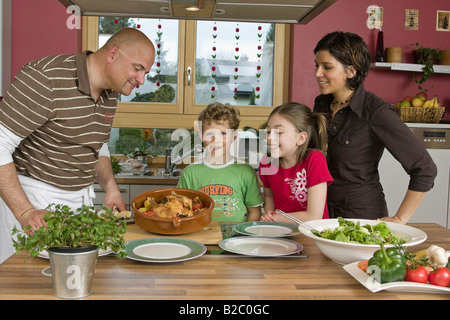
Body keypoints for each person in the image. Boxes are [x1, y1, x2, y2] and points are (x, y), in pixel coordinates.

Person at [0, 28, 155, 263]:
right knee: (26, 288)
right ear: (112, 54)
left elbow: (98, 143)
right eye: (137, 68)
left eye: (146, 72)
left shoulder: (111, 93)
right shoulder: (46, 77)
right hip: (33, 203)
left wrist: (110, 186)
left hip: (78, 205)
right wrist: (25, 212)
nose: (141, 80)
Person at [313, 31, 437, 223]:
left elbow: (425, 168)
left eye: (326, 67)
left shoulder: (376, 111)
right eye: (317, 65)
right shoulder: (321, 104)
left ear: (351, 71)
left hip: (361, 217)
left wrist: (399, 218)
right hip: (322, 214)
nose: (317, 73)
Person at [177, 102, 263, 222]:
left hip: (236, 237)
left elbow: (254, 212)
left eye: (223, 133)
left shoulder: (245, 171)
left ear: (234, 136)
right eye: (210, 134)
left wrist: (243, 237)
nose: (215, 140)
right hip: (201, 236)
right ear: (201, 136)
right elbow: (180, 211)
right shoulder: (190, 173)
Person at [259, 102, 333, 223]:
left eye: (278, 132)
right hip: (280, 231)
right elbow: (269, 196)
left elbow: (314, 216)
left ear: (301, 138)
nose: (269, 137)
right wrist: (269, 218)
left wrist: (275, 219)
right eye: (268, 131)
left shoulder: (314, 160)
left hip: (311, 234)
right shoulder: (267, 163)